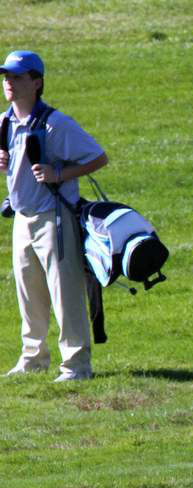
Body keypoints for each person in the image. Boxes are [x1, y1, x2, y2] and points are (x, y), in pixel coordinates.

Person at [1, 50, 108, 382]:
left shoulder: (55, 124)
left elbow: (97, 157)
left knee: (65, 293)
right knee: (28, 294)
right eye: (6, 77)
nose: (9, 83)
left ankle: (77, 365)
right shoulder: (4, 122)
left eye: (17, 77)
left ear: (37, 83)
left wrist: (58, 174)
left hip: (54, 217)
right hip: (22, 218)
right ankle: (33, 359)